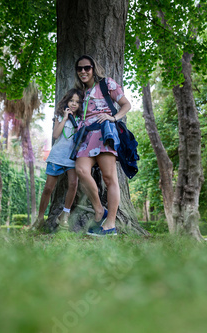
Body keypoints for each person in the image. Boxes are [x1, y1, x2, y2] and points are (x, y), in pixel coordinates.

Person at [74, 54, 131, 236]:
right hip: (86, 136)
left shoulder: (107, 84)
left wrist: (113, 118)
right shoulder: (79, 91)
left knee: (109, 178)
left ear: (93, 68)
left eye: (87, 68)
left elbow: (126, 105)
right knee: (81, 170)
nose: (83, 71)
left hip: (105, 133)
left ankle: (111, 224)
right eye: (80, 68)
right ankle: (99, 210)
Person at [34, 88, 85, 230]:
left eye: (77, 102)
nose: (74, 104)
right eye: (71, 101)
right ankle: (39, 218)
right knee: (48, 188)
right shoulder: (58, 116)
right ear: (66, 101)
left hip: (73, 157)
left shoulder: (81, 119)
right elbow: (56, 135)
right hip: (57, 156)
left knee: (73, 184)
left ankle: (65, 215)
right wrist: (64, 118)